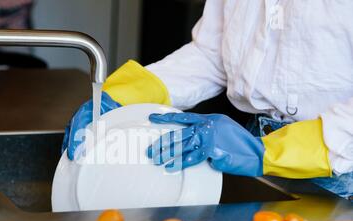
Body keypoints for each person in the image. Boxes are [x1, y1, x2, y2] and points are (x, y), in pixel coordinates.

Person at [62, 0, 353, 200]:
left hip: (342, 176)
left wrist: (271, 151)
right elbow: (213, 55)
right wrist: (122, 96)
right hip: (253, 160)